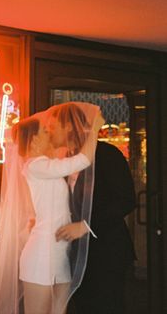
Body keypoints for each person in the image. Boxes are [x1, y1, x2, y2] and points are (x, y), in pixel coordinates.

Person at [0, 102, 104, 314]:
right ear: (34, 139)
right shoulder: (35, 165)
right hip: (40, 253)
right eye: (44, 130)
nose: (49, 131)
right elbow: (82, 161)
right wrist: (94, 128)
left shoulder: (47, 165)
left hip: (59, 252)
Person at [56, 126, 136, 313]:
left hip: (107, 249)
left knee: (107, 305)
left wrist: (85, 226)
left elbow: (125, 200)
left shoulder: (107, 153)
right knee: (83, 304)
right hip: (74, 251)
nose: (51, 131)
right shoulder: (64, 159)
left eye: (54, 127)